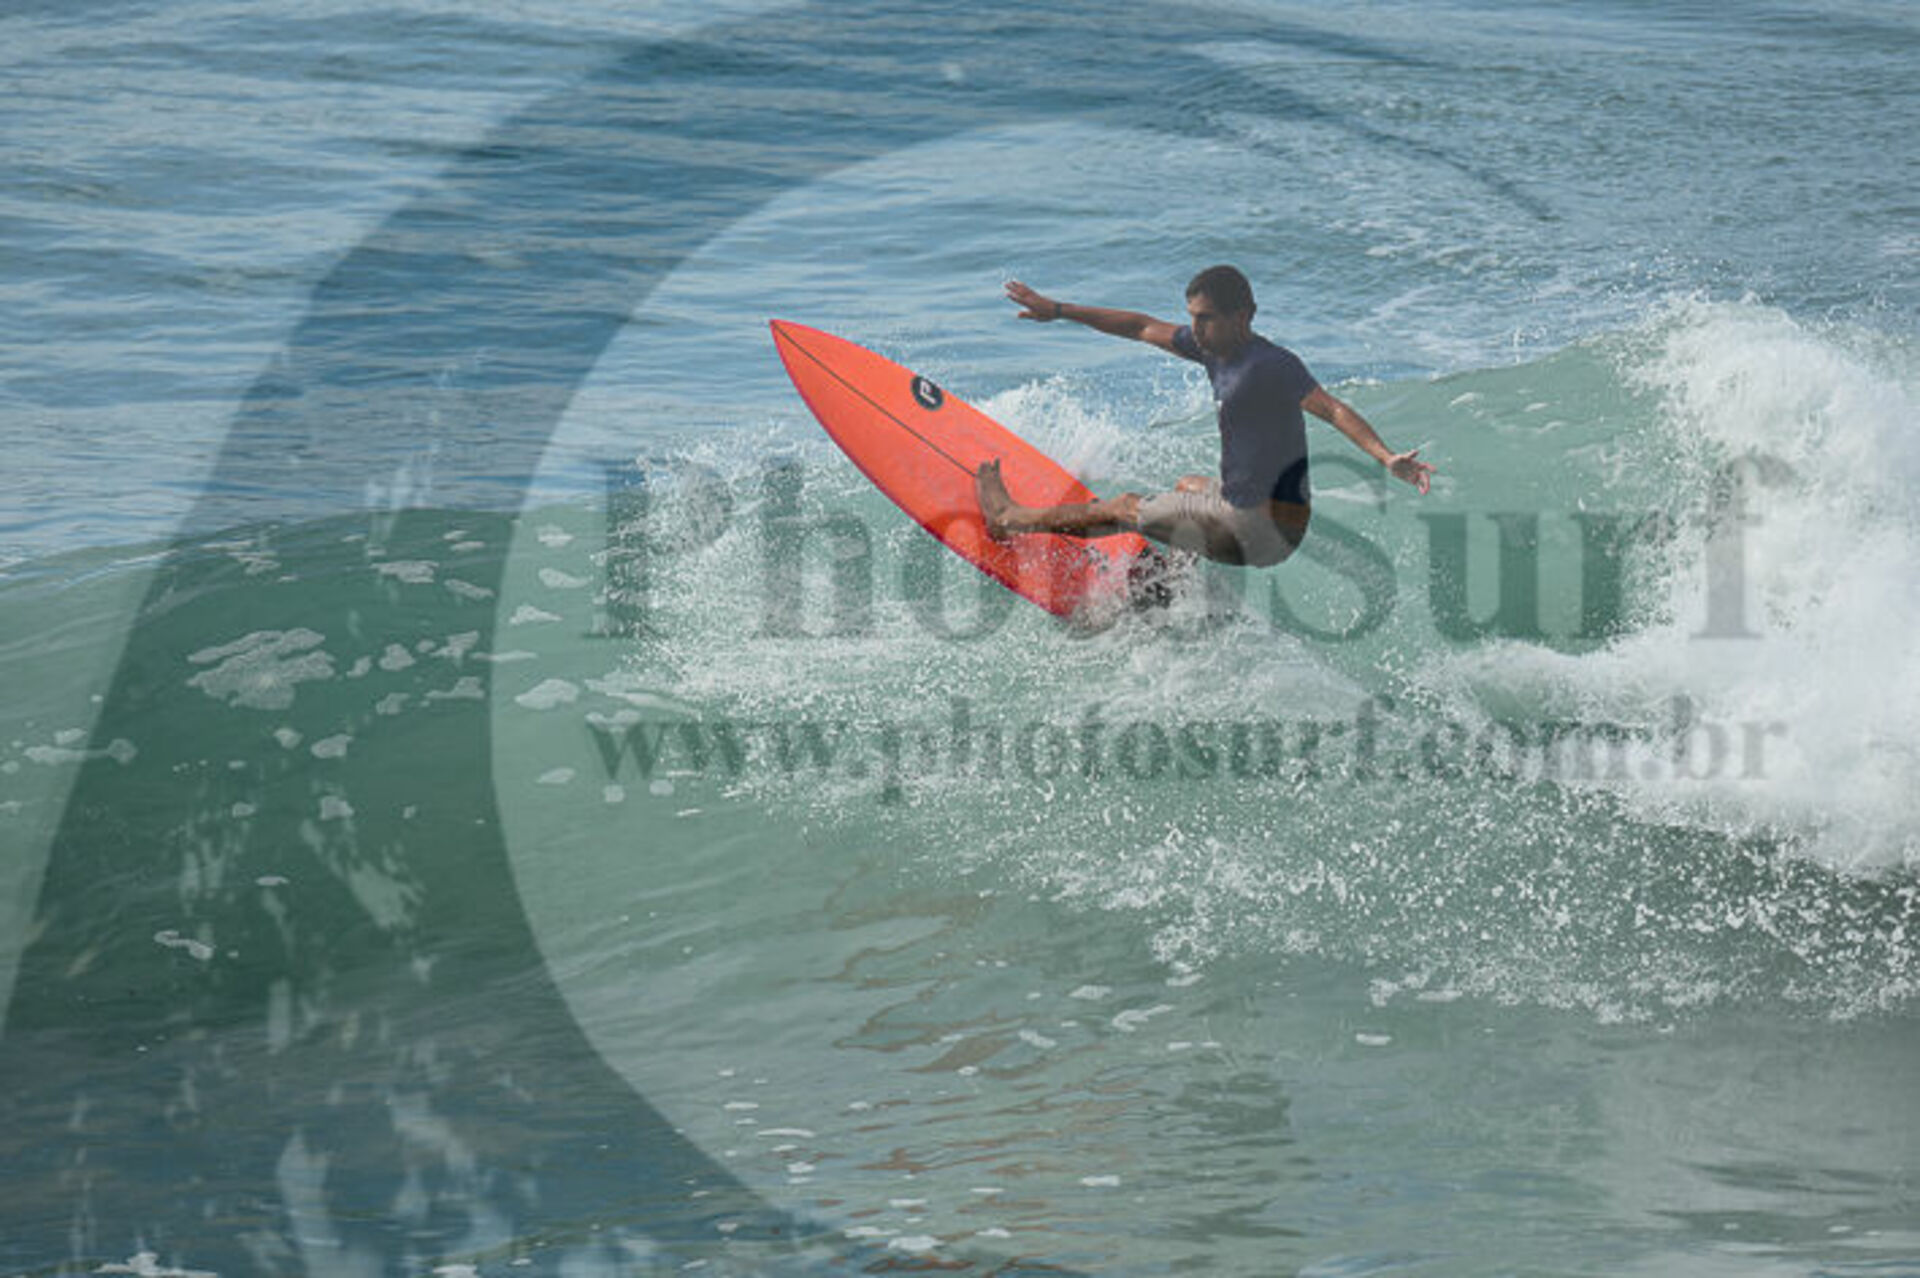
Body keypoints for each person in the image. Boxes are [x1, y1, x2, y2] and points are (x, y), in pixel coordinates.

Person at [976, 266, 1433, 568]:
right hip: (1276, 526)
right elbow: (1139, 326)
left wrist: (1385, 457)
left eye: (1207, 318)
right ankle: (1172, 591)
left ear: (1244, 316)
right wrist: (1058, 311)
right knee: (1189, 486)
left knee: (1125, 506)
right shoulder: (1212, 348)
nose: (1195, 329)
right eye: (1192, 317)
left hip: (1256, 529)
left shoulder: (1271, 366)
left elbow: (1331, 408)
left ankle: (1007, 517)